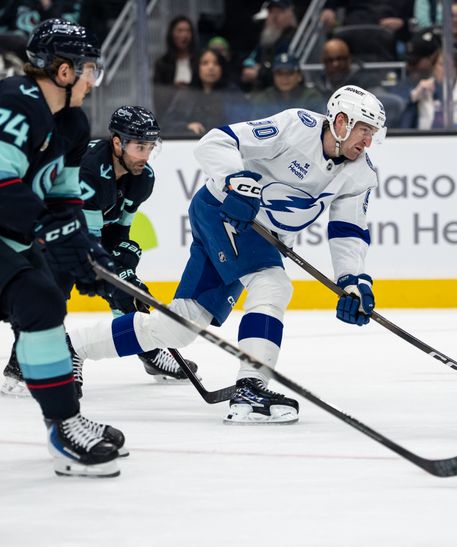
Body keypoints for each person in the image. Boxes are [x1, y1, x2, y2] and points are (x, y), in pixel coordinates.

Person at [67, 85, 386, 425]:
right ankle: (250, 387)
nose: (368, 142)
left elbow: (348, 230)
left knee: (181, 325)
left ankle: (72, 346)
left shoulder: (361, 173)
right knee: (272, 285)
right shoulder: (296, 127)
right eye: (364, 130)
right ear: (340, 121)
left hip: (260, 233)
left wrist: (352, 281)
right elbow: (215, 142)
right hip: (222, 211)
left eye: (373, 134)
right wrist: (237, 180)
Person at [1, 106, 200, 396]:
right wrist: (118, 277)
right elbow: (87, 249)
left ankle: (148, 350)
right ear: (117, 142)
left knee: (125, 275)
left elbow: (119, 231)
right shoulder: (90, 171)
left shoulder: (143, 177)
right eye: (139, 146)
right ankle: (22, 366)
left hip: (84, 232)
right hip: (44, 228)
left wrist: (125, 265)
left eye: (150, 147)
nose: (145, 155)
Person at [0, 18, 123, 476]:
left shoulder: (71, 122)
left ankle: (65, 420)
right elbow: (2, 183)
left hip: (10, 237)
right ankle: (63, 422)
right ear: (65, 71)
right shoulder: (16, 100)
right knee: (38, 297)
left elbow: (63, 197)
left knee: (45, 299)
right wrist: (52, 231)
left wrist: (88, 250)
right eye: (90, 68)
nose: (94, 79)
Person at [163, 48, 250, 137]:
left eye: (216, 63)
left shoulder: (233, 94)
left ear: (222, 68)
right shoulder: (186, 94)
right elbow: (167, 124)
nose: (211, 67)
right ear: (197, 67)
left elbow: (243, 125)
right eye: (205, 63)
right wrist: (186, 126)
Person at [409, 49, 457, 129]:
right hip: (425, 139)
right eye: (442, 64)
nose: (446, 69)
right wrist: (415, 96)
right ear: (434, 67)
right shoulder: (423, 89)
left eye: (450, 65)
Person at [239, 0, 297, 92]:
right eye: (271, 12)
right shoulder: (267, 37)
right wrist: (249, 67)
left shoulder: (295, 37)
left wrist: (260, 72)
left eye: (279, 12)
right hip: (262, 89)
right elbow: (251, 59)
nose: (274, 16)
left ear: (289, 13)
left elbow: (287, 67)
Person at [250, 53, 325, 118]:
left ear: (299, 76)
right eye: (279, 73)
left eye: (289, 73)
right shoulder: (263, 98)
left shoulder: (311, 97)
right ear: (273, 76)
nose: (284, 78)